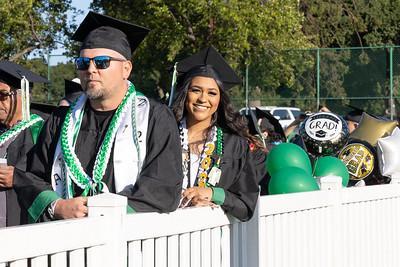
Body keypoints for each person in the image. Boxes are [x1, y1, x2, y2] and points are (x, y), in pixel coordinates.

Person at [13, 11, 183, 223]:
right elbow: (31, 175)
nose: (91, 69)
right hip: (65, 241)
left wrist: (103, 213)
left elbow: (163, 186)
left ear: (126, 69)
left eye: (102, 62)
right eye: (83, 63)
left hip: (127, 240)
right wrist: (57, 205)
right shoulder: (61, 120)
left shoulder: (153, 117)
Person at [171, 46, 264, 221]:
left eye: (212, 93)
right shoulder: (164, 135)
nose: (203, 99)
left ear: (220, 99)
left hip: (211, 239)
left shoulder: (234, 145)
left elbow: (246, 206)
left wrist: (213, 193)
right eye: (196, 90)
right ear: (185, 93)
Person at [0, 61, 49, 227]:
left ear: (24, 96)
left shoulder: (41, 131)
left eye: (3, 95)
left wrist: (16, 178)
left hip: (22, 223)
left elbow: (50, 181)